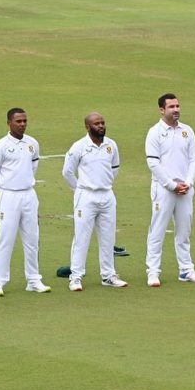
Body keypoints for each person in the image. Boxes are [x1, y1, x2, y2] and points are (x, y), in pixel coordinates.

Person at [0, 108, 50, 297]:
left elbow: (33, 167)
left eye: (24, 121)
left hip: (29, 195)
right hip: (8, 196)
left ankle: (33, 279)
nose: (22, 124)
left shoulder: (32, 144)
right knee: (6, 238)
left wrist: (23, 185)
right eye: (18, 121)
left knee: (32, 238)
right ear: (9, 123)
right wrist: (5, 191)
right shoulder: (0, 146)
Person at [62, 112, 127, 291]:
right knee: (82, 237)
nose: (101, 126)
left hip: (107, 195)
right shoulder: (79, 146)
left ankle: (108, 275)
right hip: (86, 196)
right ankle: (75, 277)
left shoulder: (111, 145)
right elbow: (67, 172)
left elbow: (115, 168)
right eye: (97, 123)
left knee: (108, 237)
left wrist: (103, 184)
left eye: (103, 123)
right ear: (88, 127)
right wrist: (80, 189)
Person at [145, 93, 195, 287]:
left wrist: (188, 182)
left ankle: (186, 270)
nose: (176, 109)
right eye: (171, 107)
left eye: (178, 106)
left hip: (185, 189)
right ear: (162, 110)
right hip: (164, 189)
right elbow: (153, 163)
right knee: (158, 230)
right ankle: (153, 272)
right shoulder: (155, 132)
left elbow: (194, 158)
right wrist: (171, 185)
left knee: (184, 231)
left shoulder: (187, 131)